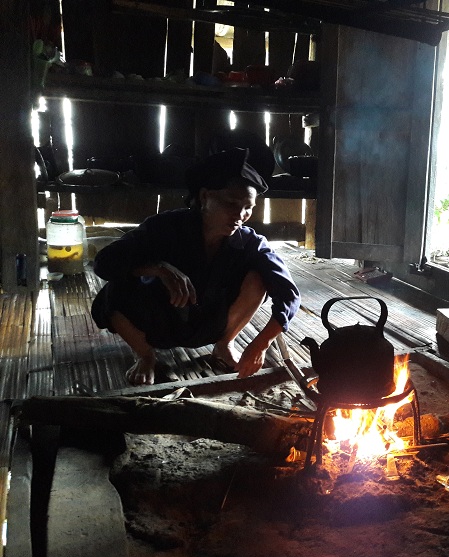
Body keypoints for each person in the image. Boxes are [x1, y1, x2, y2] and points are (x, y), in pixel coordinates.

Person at [91, 147, 301, 385]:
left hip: (213, 324)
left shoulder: (250, 243)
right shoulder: (164, 228)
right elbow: (104, 263)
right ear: (204, 197)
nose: (240, 215)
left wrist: (261, 344)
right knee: (115, 290)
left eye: (248, 208)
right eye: (231, 204)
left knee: (259, 279)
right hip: (160, 324)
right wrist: (158, 268)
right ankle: (145, 356)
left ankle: (224, 346)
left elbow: (289, 294)